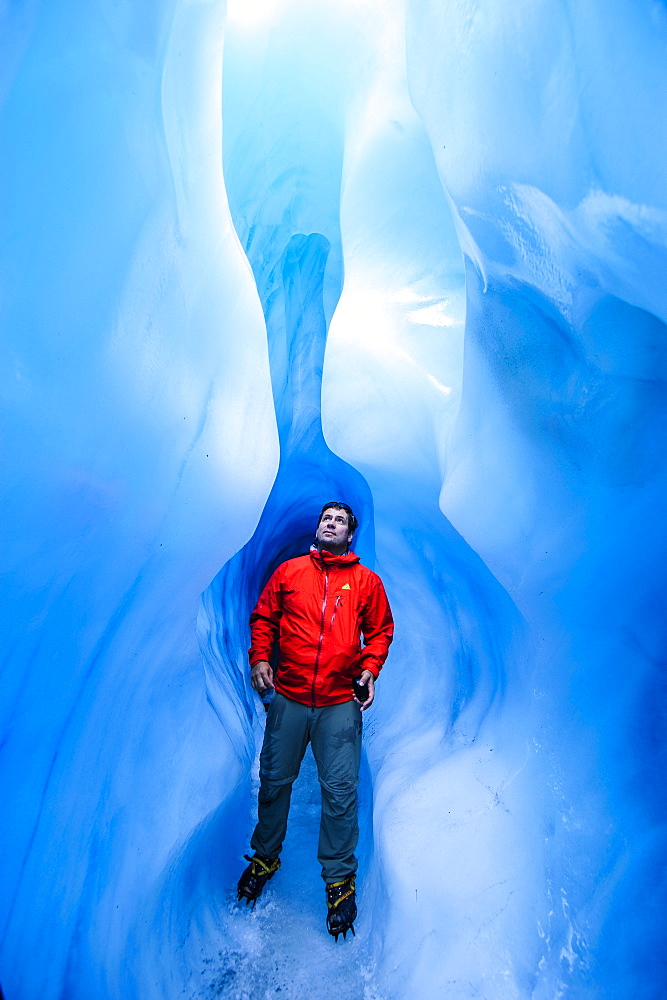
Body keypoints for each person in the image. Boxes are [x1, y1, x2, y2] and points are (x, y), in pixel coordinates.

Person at [237, 501, 394, 940]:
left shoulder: (366, 582)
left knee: (340, 792)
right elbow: (264, 617)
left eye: (340, 520)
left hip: (338, 703)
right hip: (288, 696)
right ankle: (265, 856)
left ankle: (340, 881)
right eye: (327, 518)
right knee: (274, 780)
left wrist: (369, 667)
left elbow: (381, 630)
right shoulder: (290, 572)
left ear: (350, 534)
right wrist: (260, 657)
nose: (331, 524)